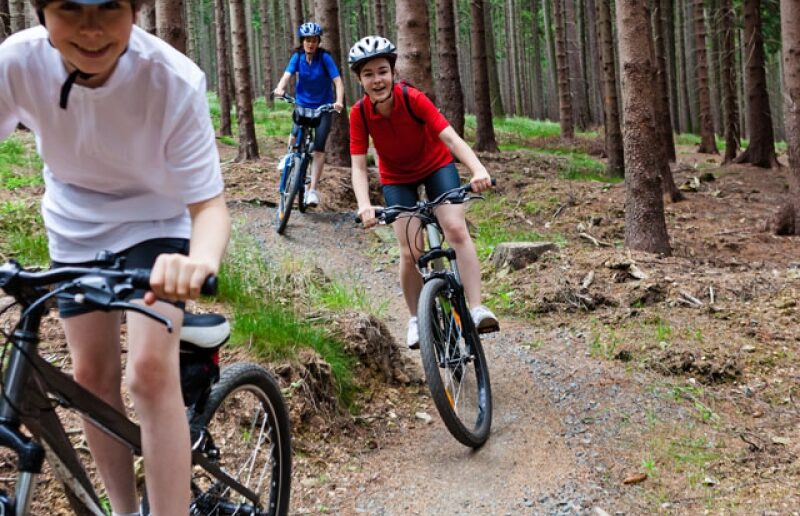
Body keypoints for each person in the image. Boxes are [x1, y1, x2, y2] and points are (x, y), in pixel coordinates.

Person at [0, 1, 231, 515]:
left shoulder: (171, 79)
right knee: (91, 377)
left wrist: (200, 262)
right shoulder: (16, 62)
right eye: (70, 8)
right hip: (74, 224)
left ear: (134, 10)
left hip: (158, 222)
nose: (90, 27)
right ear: (42, 13)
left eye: (109, 6)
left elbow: (210, 206)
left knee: (148, 373)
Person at [347, 36, 499, 349]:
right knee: (410, 251)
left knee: (455, 229)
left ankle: (476, 308)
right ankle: (417, 318)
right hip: (396, 178)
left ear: (392, 71)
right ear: (360, 80)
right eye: (368, 74)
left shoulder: (412, 98)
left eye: (382, 71)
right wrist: (364, 205)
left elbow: (451, 139)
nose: (377, 80)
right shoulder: (359, 115)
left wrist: (478, 169)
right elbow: (359, 167)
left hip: (435, 166)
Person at [273, 22, 345, 208]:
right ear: (302, 42)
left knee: (319, 148)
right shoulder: (297, 57)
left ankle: (312, 190)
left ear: (318, 41)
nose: (310, 44)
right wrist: (280, 88)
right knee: (295, 134)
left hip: (323, 107)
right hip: (303, 105)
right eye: (307, 40)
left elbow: (337, 81)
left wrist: (338, 102)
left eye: (314, 40)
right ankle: (288, 157)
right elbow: (287, 75)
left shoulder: (325, 58)